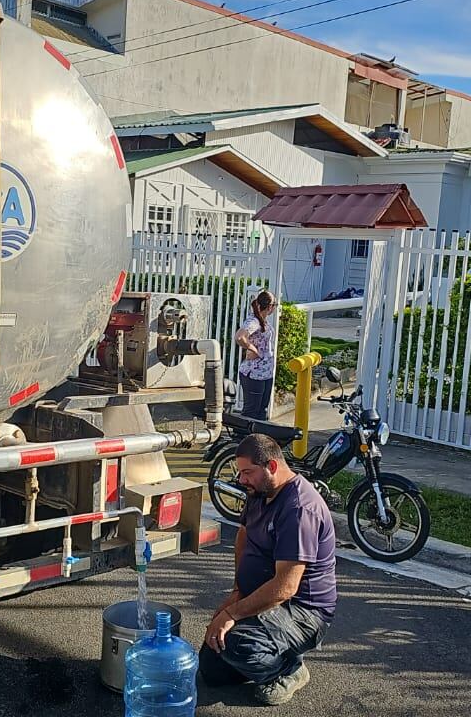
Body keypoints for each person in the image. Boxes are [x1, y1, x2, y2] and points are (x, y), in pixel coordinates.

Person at [199, 434, 336, 706]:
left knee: (240, 645)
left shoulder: (299, 508)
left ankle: (289, 670)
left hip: (304, 611)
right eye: (240, 473)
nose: (242, 480)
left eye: (247, 472)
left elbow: (286, 587)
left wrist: (232, 613)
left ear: (272, 466)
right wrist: (238, 590)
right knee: (212, 666)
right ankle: (264, 654)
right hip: (269, 596)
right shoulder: (260, 491)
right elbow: (244, 535)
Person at [235, 290, 277, 420]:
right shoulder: (254, 321)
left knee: (261, 410)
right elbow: (240, 337)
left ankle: (258, 437)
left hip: (265, 373)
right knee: (251, 411)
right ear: (270, 307)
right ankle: (243, 438)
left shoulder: (262, 321)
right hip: (254, 373)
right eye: (275, 305)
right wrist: (254, 350)